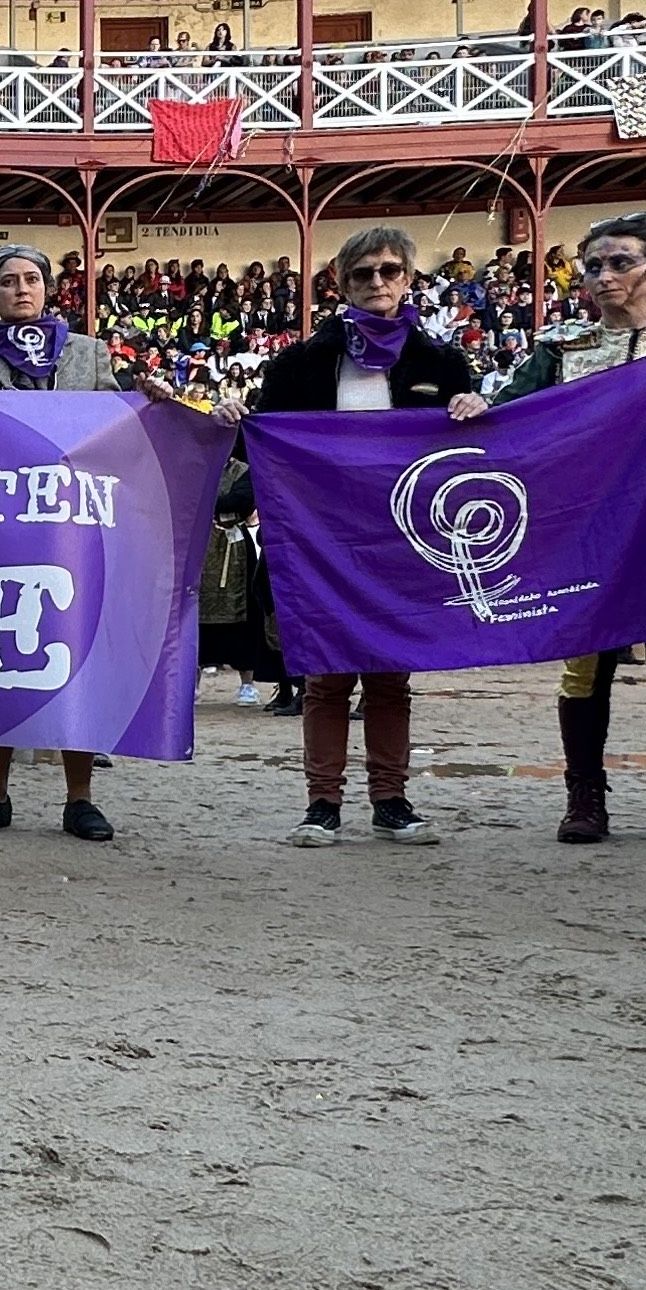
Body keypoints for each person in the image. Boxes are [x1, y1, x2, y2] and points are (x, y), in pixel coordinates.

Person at [466, 213, 646, 850]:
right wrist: (476, 408)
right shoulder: (559, 348)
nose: (602, 276)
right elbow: (509, 425)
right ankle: (585, 800)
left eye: (619, 263)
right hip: (586, 534)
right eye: (593, 265)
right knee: (583, 669)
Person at [245, 228, 477, 848]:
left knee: (389, 677)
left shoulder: (443, 364)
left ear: (408, 280)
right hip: (324, 540)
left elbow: (475, 452)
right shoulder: (298, 365)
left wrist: (478, 408)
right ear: (341, 284)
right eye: (363, 273)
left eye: (390, 271)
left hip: (406, 539)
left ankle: (391, 800)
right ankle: (322, 804)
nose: (378, 282)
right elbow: (260, 445)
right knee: (326, 678)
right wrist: (230, 422)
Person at [0, 243, 124, 842]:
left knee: (75, 652)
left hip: (70, 527)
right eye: (9, 281)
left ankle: (80, 796)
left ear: (48, 289)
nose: (22, 289)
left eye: (32, 279)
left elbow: (123, 424)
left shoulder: (87, 355)